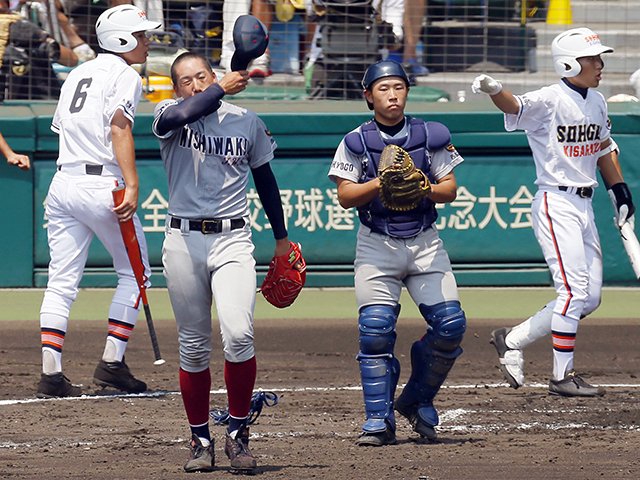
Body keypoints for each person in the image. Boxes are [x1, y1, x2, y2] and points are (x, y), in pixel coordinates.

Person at [472, 27, 635, 397]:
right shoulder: (550, 98)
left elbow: (604, 147)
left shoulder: (597, 101)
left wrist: (619, 189)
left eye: (599, 57)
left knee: (588, 298)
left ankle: (510, 338)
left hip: (585, 203)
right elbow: (516, 107)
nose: (600, 64)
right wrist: (496, 90)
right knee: (573, 292)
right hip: (555, 202)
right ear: (568, 63)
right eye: (592, 58)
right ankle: (562, 376)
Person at [152, 51, 293, 473]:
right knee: (193, 347)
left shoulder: (246, 120)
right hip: (182, 240)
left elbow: (266, 181)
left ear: (213, 74)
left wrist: (282, 239)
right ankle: (199, 439)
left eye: (202, 77)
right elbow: (183, 115)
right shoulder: (168, 113)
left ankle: (237, 434)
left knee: (239, 334)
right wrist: (218, 89)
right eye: (185, 81)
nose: (194, 85)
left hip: (233, 239)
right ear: (176, 88)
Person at [327, 60, 467, 445]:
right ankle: (378, 420)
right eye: (384, 88)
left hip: (425, 242)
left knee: (451, 326)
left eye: (399, 87)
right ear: (368, 95)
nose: (393, 95)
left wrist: (422, 184)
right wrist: (380, 181)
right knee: (374, 332)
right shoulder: (357, 140)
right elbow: (345, 196)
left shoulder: (431, 134)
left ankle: (417, 400)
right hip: (378, 244)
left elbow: (450, 189)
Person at [36, 4, 161, 398]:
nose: (147, 41)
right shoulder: (124, 75)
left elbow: (64, 128)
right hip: (101, 183)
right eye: (141, 35)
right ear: (121, 39)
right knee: (137, 274)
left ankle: (51, 373)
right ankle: (111, 363)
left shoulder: (77, 72)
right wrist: (132, 183)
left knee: (61, 281)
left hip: (63, 182)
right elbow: (119, 128)